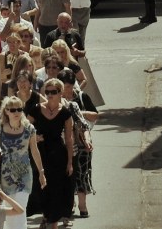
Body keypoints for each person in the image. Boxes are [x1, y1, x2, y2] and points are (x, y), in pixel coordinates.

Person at [26, 79, 73, 229]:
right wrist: (34, 137)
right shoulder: (36, 109)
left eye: (54, 92)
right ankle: (46, 216)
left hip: (58, 153)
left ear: (60, 93)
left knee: (57, 187)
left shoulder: (65, 113)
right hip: (40, 153)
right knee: (42, 188)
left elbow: (69, 139)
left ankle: (53, 221)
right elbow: (25, 128)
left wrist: (70, 162)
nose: (50, 95)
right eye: (47, 92)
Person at [0, 96, 46, 229]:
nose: (16, 112)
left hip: (24, 174)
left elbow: (35, 150)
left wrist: (41, 172)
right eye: (13, 110)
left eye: (19, 109)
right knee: (9, 210)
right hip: (6, 176)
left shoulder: (29, 129)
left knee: (21, 209)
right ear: (6, 111)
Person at [58, 70, 97, 220]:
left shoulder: (79, 99)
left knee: (82, 173)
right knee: (68, 175)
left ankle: (82, 204)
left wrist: (86, 139)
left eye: (69, 86)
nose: (66, 89)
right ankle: (70, 203)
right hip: (64, 145)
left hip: (81, 143)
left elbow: (89, 121)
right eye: (64, 86)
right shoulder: (54, 101)